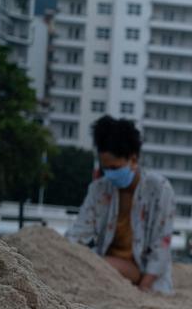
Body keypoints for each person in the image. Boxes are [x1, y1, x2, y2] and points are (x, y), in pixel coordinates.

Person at [66, 116, 175, 293]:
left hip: (139, 270)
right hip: (105, 267)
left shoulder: (159, 189)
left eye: (115, 168)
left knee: (99, 263)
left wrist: (144, 287)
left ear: (133, 159)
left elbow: (161, 244)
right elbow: (79, 232)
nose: (109, 174)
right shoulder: (99, 188)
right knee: (89, 262)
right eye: (105, 168)